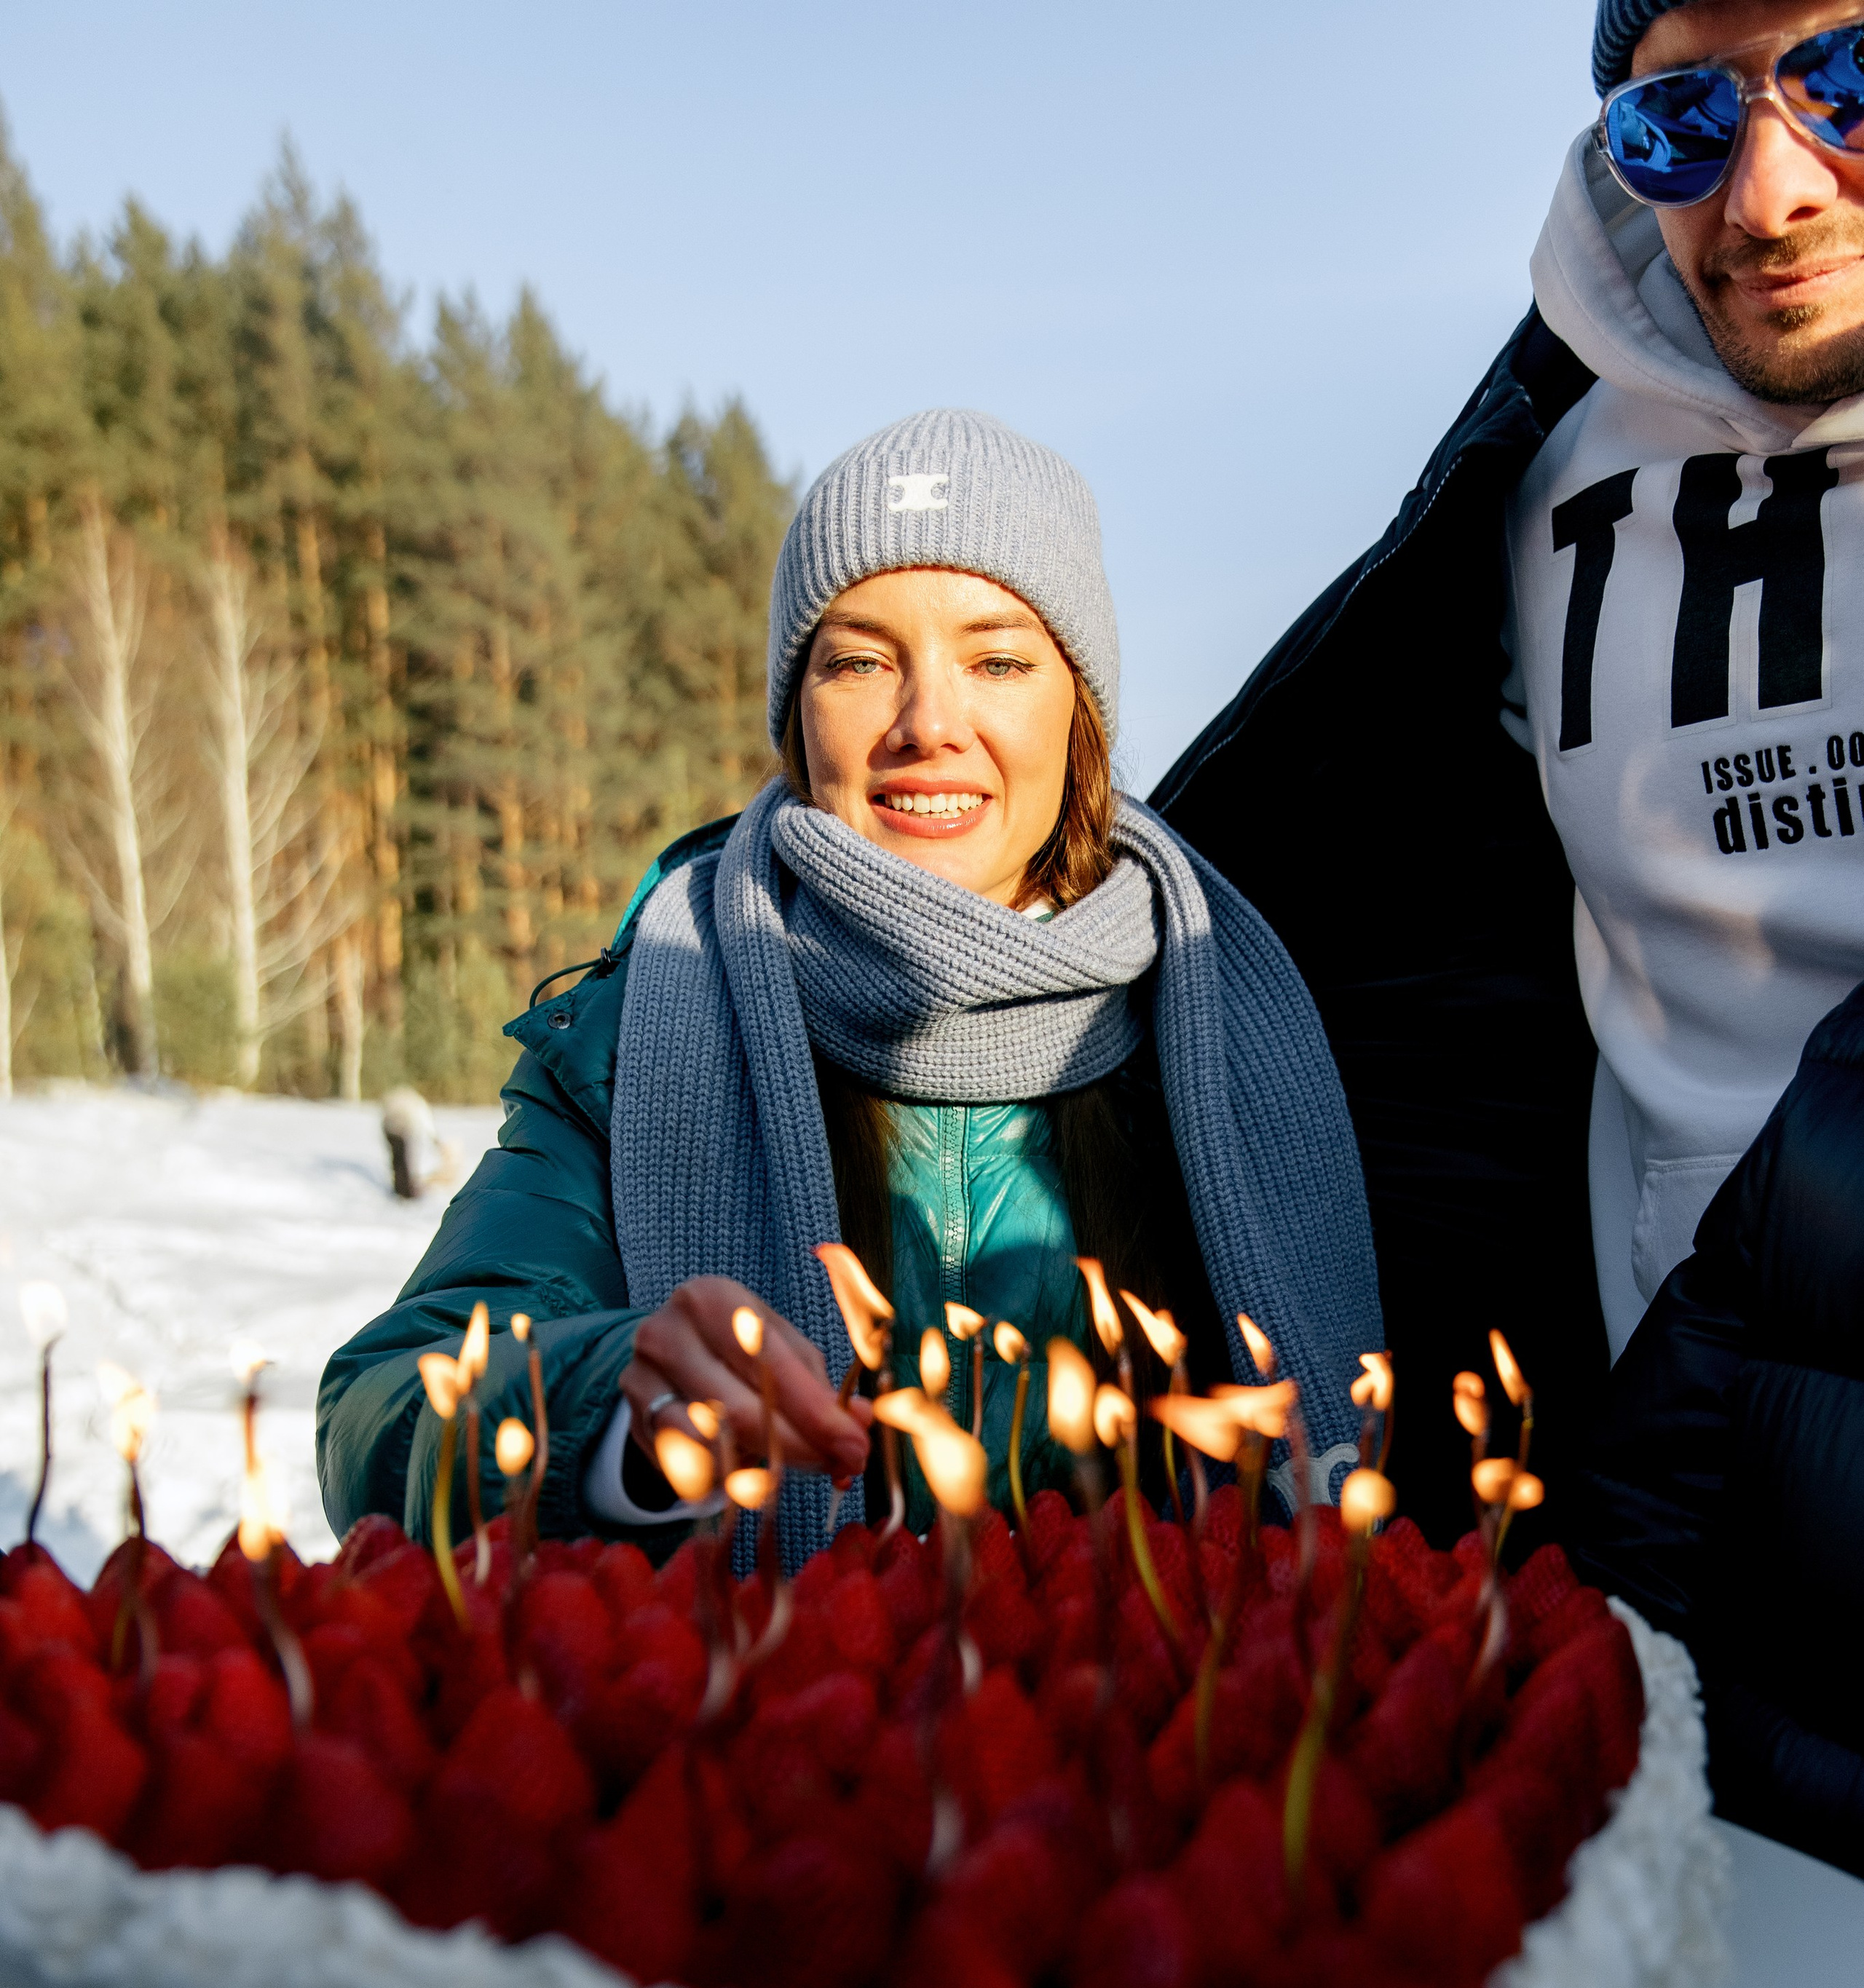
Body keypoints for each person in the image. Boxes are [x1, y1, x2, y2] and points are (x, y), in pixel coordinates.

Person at [318, 411, 1382, 1567]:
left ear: (1078, 708)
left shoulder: (1237, 1029)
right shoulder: (645, 1030)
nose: (929, 724)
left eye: (999, 661)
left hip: (1173, 1729)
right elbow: (380, 1416)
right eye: (862, 661)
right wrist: (600, 1407)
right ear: (798, 713)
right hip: (772, 1731)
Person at [1154, 0, 1864, 1569]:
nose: (1767, 193)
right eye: (1676, 121)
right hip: (1678, 1504)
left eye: (1844, 77)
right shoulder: (1533, 496)